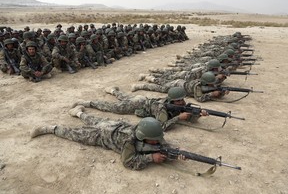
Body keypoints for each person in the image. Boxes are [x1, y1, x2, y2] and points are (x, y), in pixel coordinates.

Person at [31, 110, 186, 170]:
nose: (158, 141)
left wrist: (176, 153)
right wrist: (150, 158)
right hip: (102, 136)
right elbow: (128, 162)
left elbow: (162, 145)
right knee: (75, 133)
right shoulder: (130, 142)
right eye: (155, 140)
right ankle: (51, 128)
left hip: (114, 125)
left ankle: (78, 113)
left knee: (93, 119)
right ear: (145, 137)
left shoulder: (148, 132)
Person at [72, 86, 207, 131]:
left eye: (182, 99)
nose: (183, 102)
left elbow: (189, 116)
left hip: (144, 100)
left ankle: (114, 91)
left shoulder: (177, 104)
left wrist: (199, 114)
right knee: (114, 108)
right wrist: (178, 118)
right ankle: (87, 102)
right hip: (140, 104)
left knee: (125, 98)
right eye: (179, 100)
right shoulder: (162, 109)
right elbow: (161, 126)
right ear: (172, 100)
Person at [132, 71, 229, 102]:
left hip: (182, 84)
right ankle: (141, 85)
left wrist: (222, 92)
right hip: (178, 85)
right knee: (162, 88)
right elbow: (199, 98)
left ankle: (151, 78)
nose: (214, 83)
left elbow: (214, 87)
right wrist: (212, 94)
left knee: (164, 82)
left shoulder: (208, 83)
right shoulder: (197, 86)